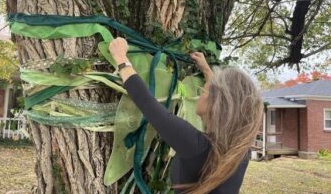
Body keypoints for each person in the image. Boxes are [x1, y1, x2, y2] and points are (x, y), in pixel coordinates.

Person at [109, 37, 263, 194]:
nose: (202, 91)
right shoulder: (240, 149)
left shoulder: (196, 146)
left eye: (207, 90)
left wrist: (121, 58)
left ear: (216, 105)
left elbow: (148, 104)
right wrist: (206, 70)